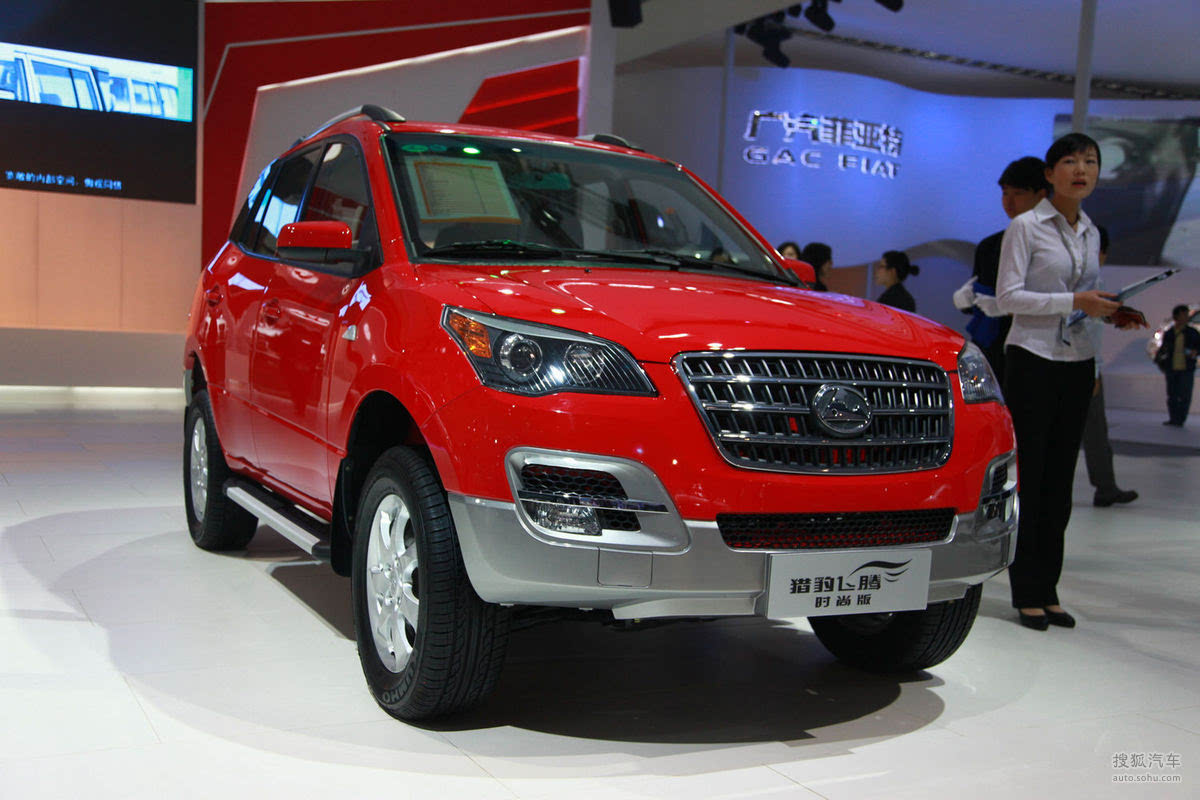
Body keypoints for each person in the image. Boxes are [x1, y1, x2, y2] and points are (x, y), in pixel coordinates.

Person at [996, 132, 1146, 632]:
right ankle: (1026, 591)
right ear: (1049, 173)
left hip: (1077, 361)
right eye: (1070, 161)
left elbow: (1085, 302)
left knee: (1061, 484)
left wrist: (1109, 313)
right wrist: (1075, 302)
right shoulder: (1026, 227)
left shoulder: (1091, 231)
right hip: (1032, 358)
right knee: (1033, 479)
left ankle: (1048, 589)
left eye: (1090, 161)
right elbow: (1009, 298)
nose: (1081, 170)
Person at [953, 156, 1050, 384]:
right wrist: (969, 300)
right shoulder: (990, 246)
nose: (1009, 201)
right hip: (991, 348)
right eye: (1005, 193)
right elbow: (979, 294)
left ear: (1041, 195)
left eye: (1018, 193)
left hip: (1037, 350)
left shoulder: (1053, 245)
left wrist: (1006, 307)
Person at [1083, 226, 1137, 507]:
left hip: (1079, 364)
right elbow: (1085, 332)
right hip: (1081, 366)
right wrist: (1093, 371)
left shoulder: (1087, 281)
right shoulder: (1088, 282)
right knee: (1093, 431)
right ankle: (1105, 487)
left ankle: (1105, 487)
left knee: (1093, 432)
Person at [1155, 303, 1200, 426]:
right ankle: (1174, 419)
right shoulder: (1170, 333)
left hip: (1187, 368)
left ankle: (1180, 419)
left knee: (1185, 395)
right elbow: (1163, 349)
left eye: (1186, 315)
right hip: (1172, 368)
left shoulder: (1192, 332)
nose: (1186, 317)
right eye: (1183, 315)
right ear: (1176, 316)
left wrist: (1195, 352)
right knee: (1172, 395)